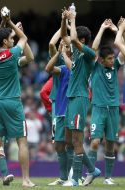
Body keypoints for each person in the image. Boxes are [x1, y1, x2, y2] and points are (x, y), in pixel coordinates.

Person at [0, 8, 35, 187]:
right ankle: (26, 180)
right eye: (10, 39)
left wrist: (3, 26)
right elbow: (24, 39)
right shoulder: (12, 54)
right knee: (21, 141)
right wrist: (11, 23)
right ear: (6, 41)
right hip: (13, 102)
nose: (13, 41)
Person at [61, 8, 101, 186]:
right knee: (69, 140)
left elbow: (74, 39)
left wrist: (74, 19)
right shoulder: (77, 55)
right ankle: (93, 170)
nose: (71, 40)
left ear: (82, 40)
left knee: (77, 140)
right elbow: (64, 36)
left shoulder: (90, 55)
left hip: (80, 98)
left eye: (76, 38)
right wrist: (65, 21)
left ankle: (75, 179)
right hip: (71, 98)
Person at [88, 18, 125, 185]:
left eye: (113, 57)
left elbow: (123, 52)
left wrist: (119, 31)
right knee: (95, 142)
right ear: (101, 60)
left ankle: (108, 178)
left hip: (113, 109)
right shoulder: (95, 67)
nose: (113, 60)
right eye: (109, 58)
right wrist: (103, 29)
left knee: (111, 144)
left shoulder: (115, 66)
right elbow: (94, 48)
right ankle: (90, 172)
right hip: (98, 108)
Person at [46, 38, 73, 185]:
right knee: (58, 143)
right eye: (63, 46)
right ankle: (64, 177)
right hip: (58, 105)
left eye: (68, 46)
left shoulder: (77, 64)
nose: (65, 48)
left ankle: (74, 176)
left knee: (72, 142)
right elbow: (51, 44)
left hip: (71, 105)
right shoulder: (59, 63)